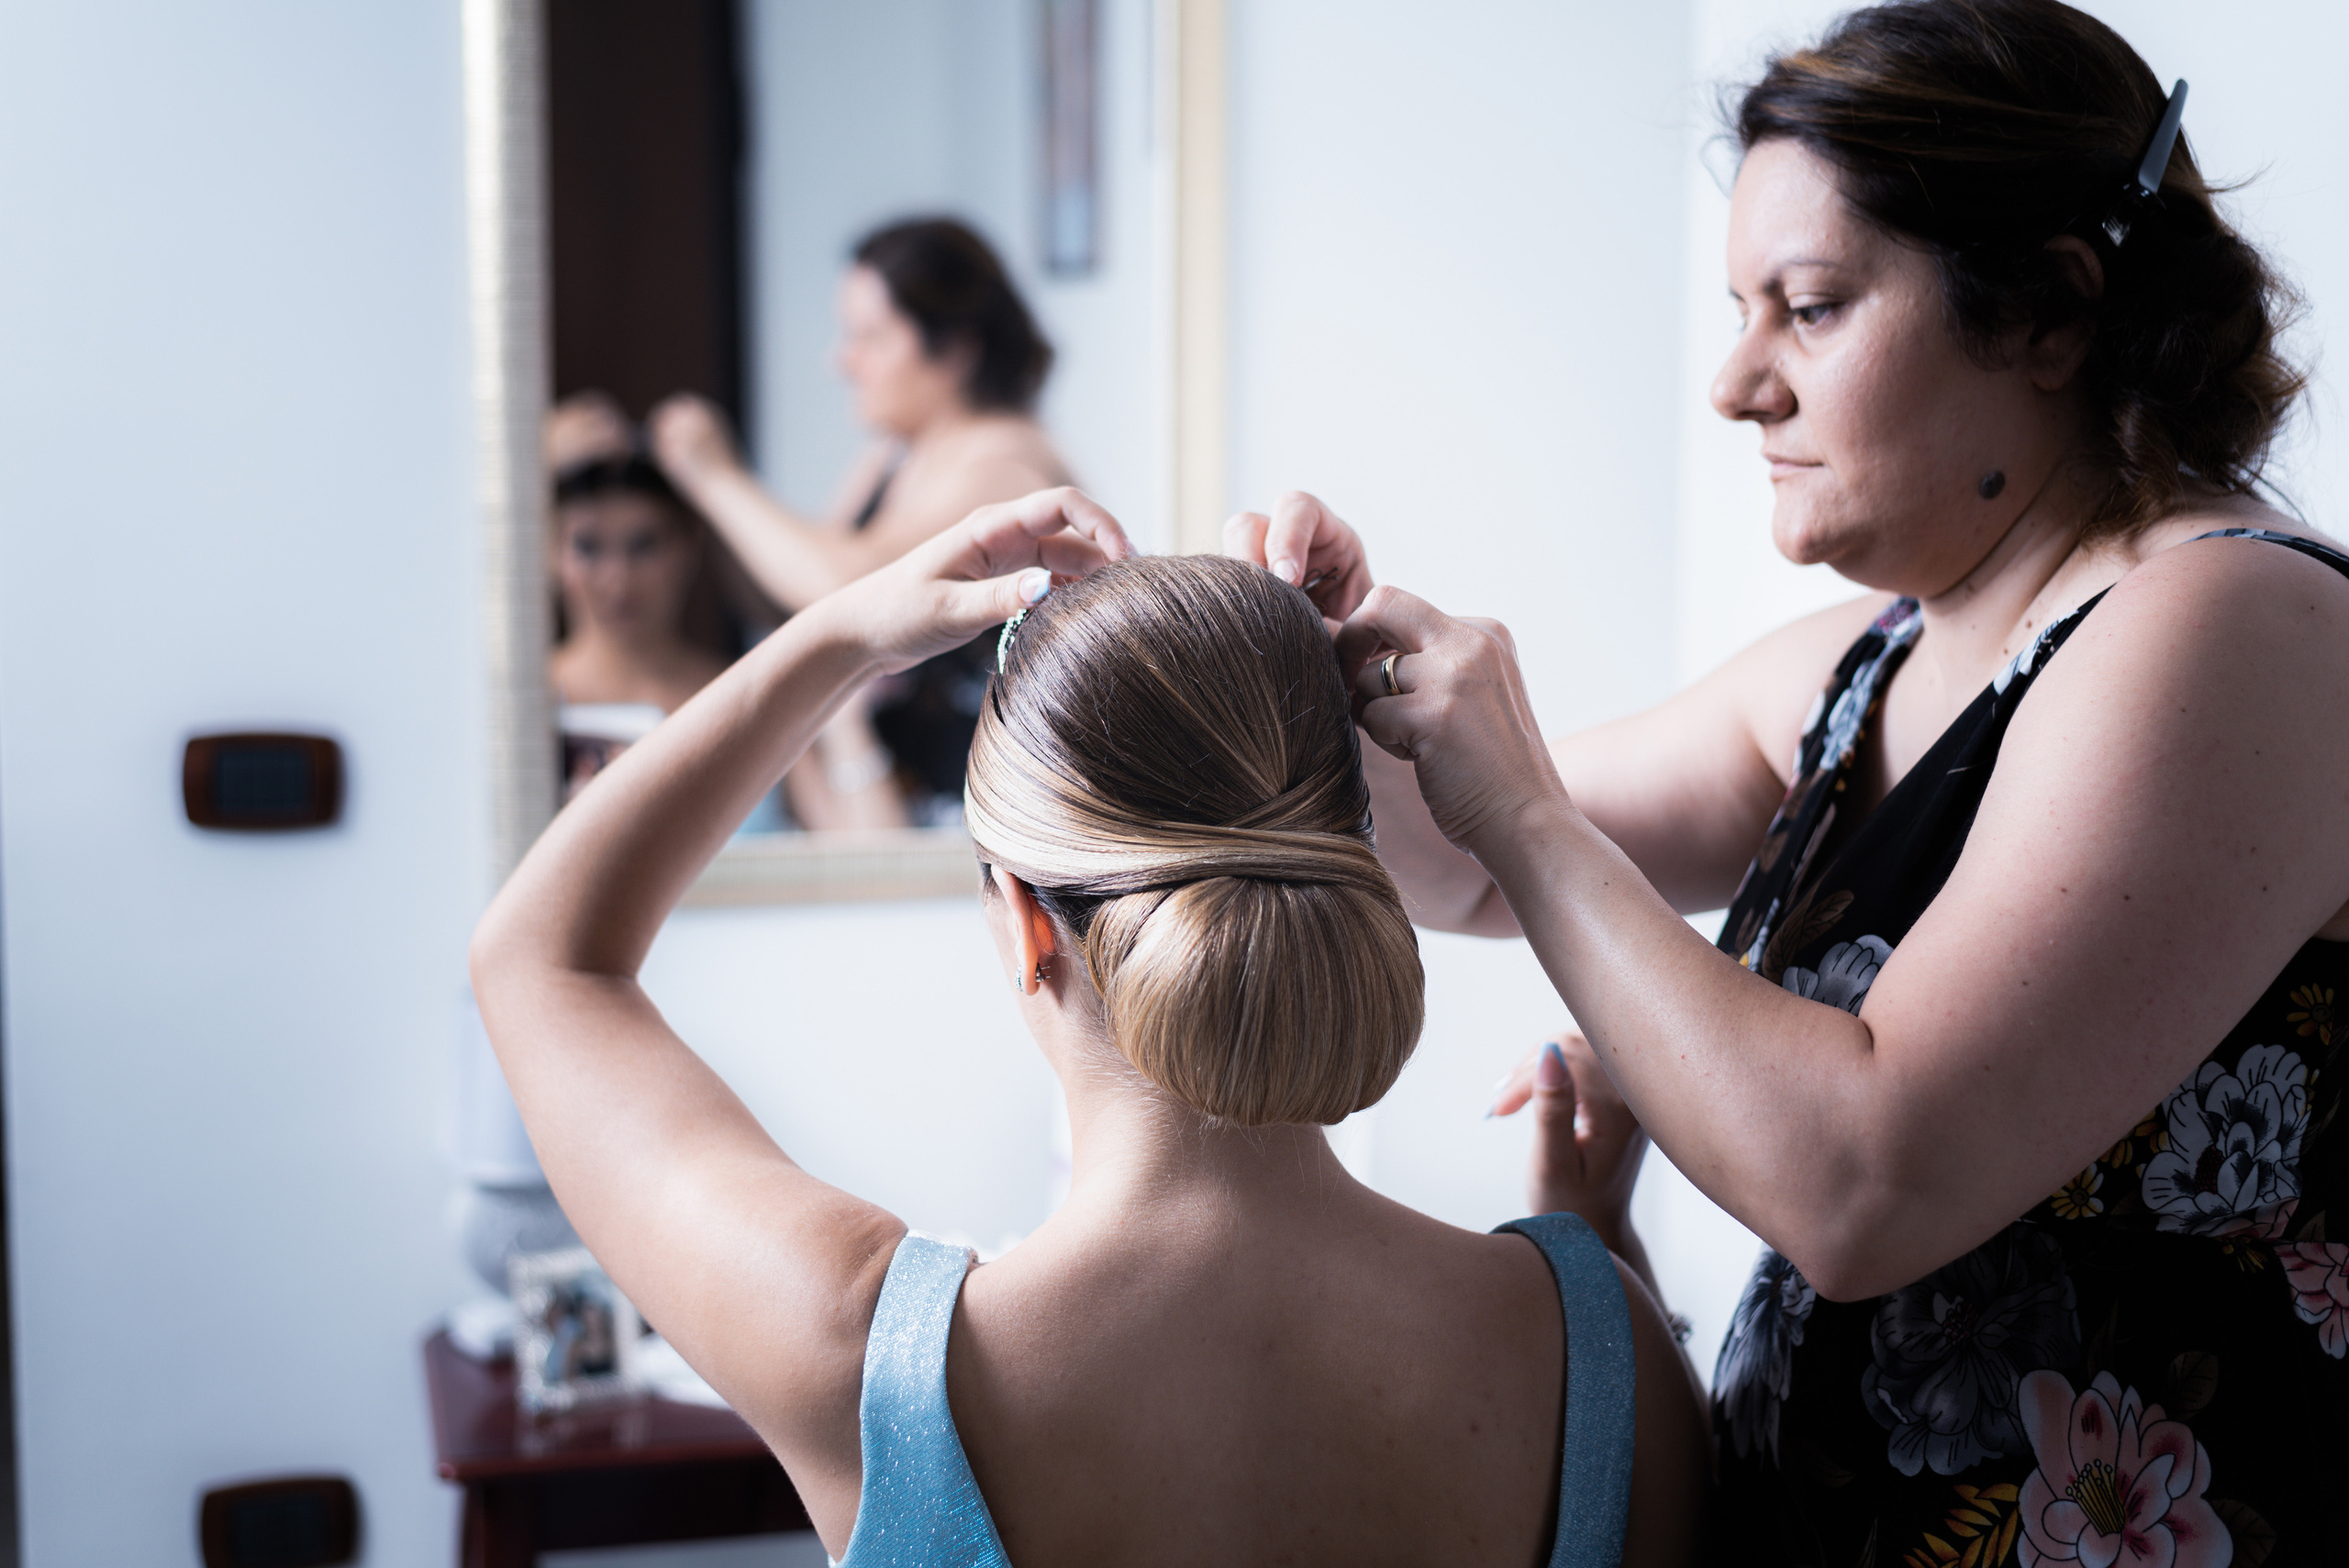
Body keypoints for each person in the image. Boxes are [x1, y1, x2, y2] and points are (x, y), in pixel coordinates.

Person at [1237, 3, 2349, 1561]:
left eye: (1809, 308)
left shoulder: (2239, 627)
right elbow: (1471, 870)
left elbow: (1863, 1177)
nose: (1736, 383)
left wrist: (1527, 805)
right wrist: (1330, 664)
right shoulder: (1859, 668)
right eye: (1742, 309)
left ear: (2048, 310)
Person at [469, 491, 1712, 1567]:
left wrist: (847, 633)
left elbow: (542, 958)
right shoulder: (1601, 1352)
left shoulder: (868, 1366)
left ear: (1022, 919)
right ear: (1350, 860)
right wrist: (1604, 1246)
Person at [649, 217, 1071, 821]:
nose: (842, 361)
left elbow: (848, 586)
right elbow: (792, 598)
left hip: (967, 830)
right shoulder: (897, 454)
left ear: (953, 350)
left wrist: (719, 479)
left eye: (868, 338)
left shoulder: (1004, 464)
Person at [547, 396, 905, 829]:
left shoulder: (757, 695)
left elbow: (868, 864)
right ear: (551, 551)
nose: (617, 580)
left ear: (689, 544)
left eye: (644, 546)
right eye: (588, 548)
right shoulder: (523, 706)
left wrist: (844, 711)